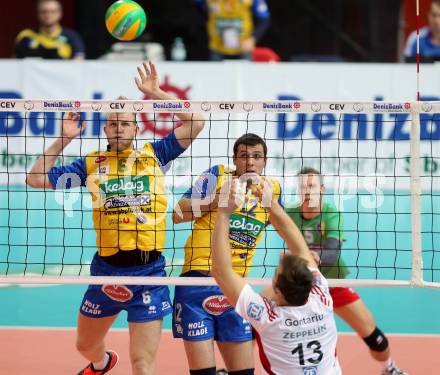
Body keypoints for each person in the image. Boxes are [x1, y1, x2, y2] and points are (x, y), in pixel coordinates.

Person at [25, 62, 205, 375]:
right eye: (113, 124)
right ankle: (102, 363)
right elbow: (36, 178)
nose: (119, 128)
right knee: (84, 345)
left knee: (142, 362)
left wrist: (154, 93)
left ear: (137, 129)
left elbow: (197, 121)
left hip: (149, 273)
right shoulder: (92, 164)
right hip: (106, 272)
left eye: (125, 123)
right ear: (106, 130)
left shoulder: (155, 154)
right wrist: (63, 140)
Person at [172, 133, 282, 374]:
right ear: (235, 160)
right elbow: (177, 213)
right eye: (244, 156)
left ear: (265, 161)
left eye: (256, 157)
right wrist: (216, 201)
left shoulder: (272, 189)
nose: (250, 162)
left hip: (237, 287)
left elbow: (283, 225)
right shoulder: (217, 175)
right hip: (198, 279)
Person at [210, 177, 341, 374]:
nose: (282, 255)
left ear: (277, 290)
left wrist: (222, 213)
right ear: (310, 284)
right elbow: (301, 248)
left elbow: (220, 271)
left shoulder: (268, 318)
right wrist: (272, 205)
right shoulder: (322, 298)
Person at [285, 167, 408, 375]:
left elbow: (332, 255)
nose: (307, 191)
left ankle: (389, 368)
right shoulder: (289, 214)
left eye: (312, 186)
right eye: (303, 186)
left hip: (333, 282)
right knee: (259, 323)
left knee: (375, 338)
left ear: (322, 189)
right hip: (301, 287)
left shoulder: (332, 213)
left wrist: (312, 258)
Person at [194, 0, 271, 61]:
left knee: (245, 77)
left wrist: (253, 39)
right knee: (215, 78)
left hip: (243, 48)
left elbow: (264, 19)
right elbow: (196, 6)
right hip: (217, 47)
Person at [15, 0, 85, 60]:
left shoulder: (72, 37)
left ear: (60, 13)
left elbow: (78, 64)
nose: (48, 15)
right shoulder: (27, 36)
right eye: (44, 11)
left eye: (53, 11)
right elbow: (15, 63)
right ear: (38, 13)